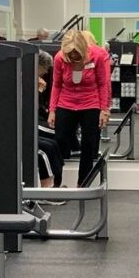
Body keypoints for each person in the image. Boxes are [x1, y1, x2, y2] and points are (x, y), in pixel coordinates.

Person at [47, 29, 110, 187]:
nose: (73, 56)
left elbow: (103, 84)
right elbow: (56, 85)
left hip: (91, 103)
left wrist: (104, 109)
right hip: (66, 102)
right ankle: (57, 182)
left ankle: (83, 183)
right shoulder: (60, 58)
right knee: (60, 140)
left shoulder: (97, 55)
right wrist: (52, 110)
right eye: (70, 53)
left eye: (76, 52)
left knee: (89, 144)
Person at [34, 50, 63, 189]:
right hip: (27, 125)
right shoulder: (24, 80)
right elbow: (28, 108)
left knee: (54, 145)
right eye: (44, 69)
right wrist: (37, 91)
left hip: (34, 120)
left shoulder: (36, 81)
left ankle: (55, 186)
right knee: (45, 150)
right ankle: (47, 190)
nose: (46, 72)